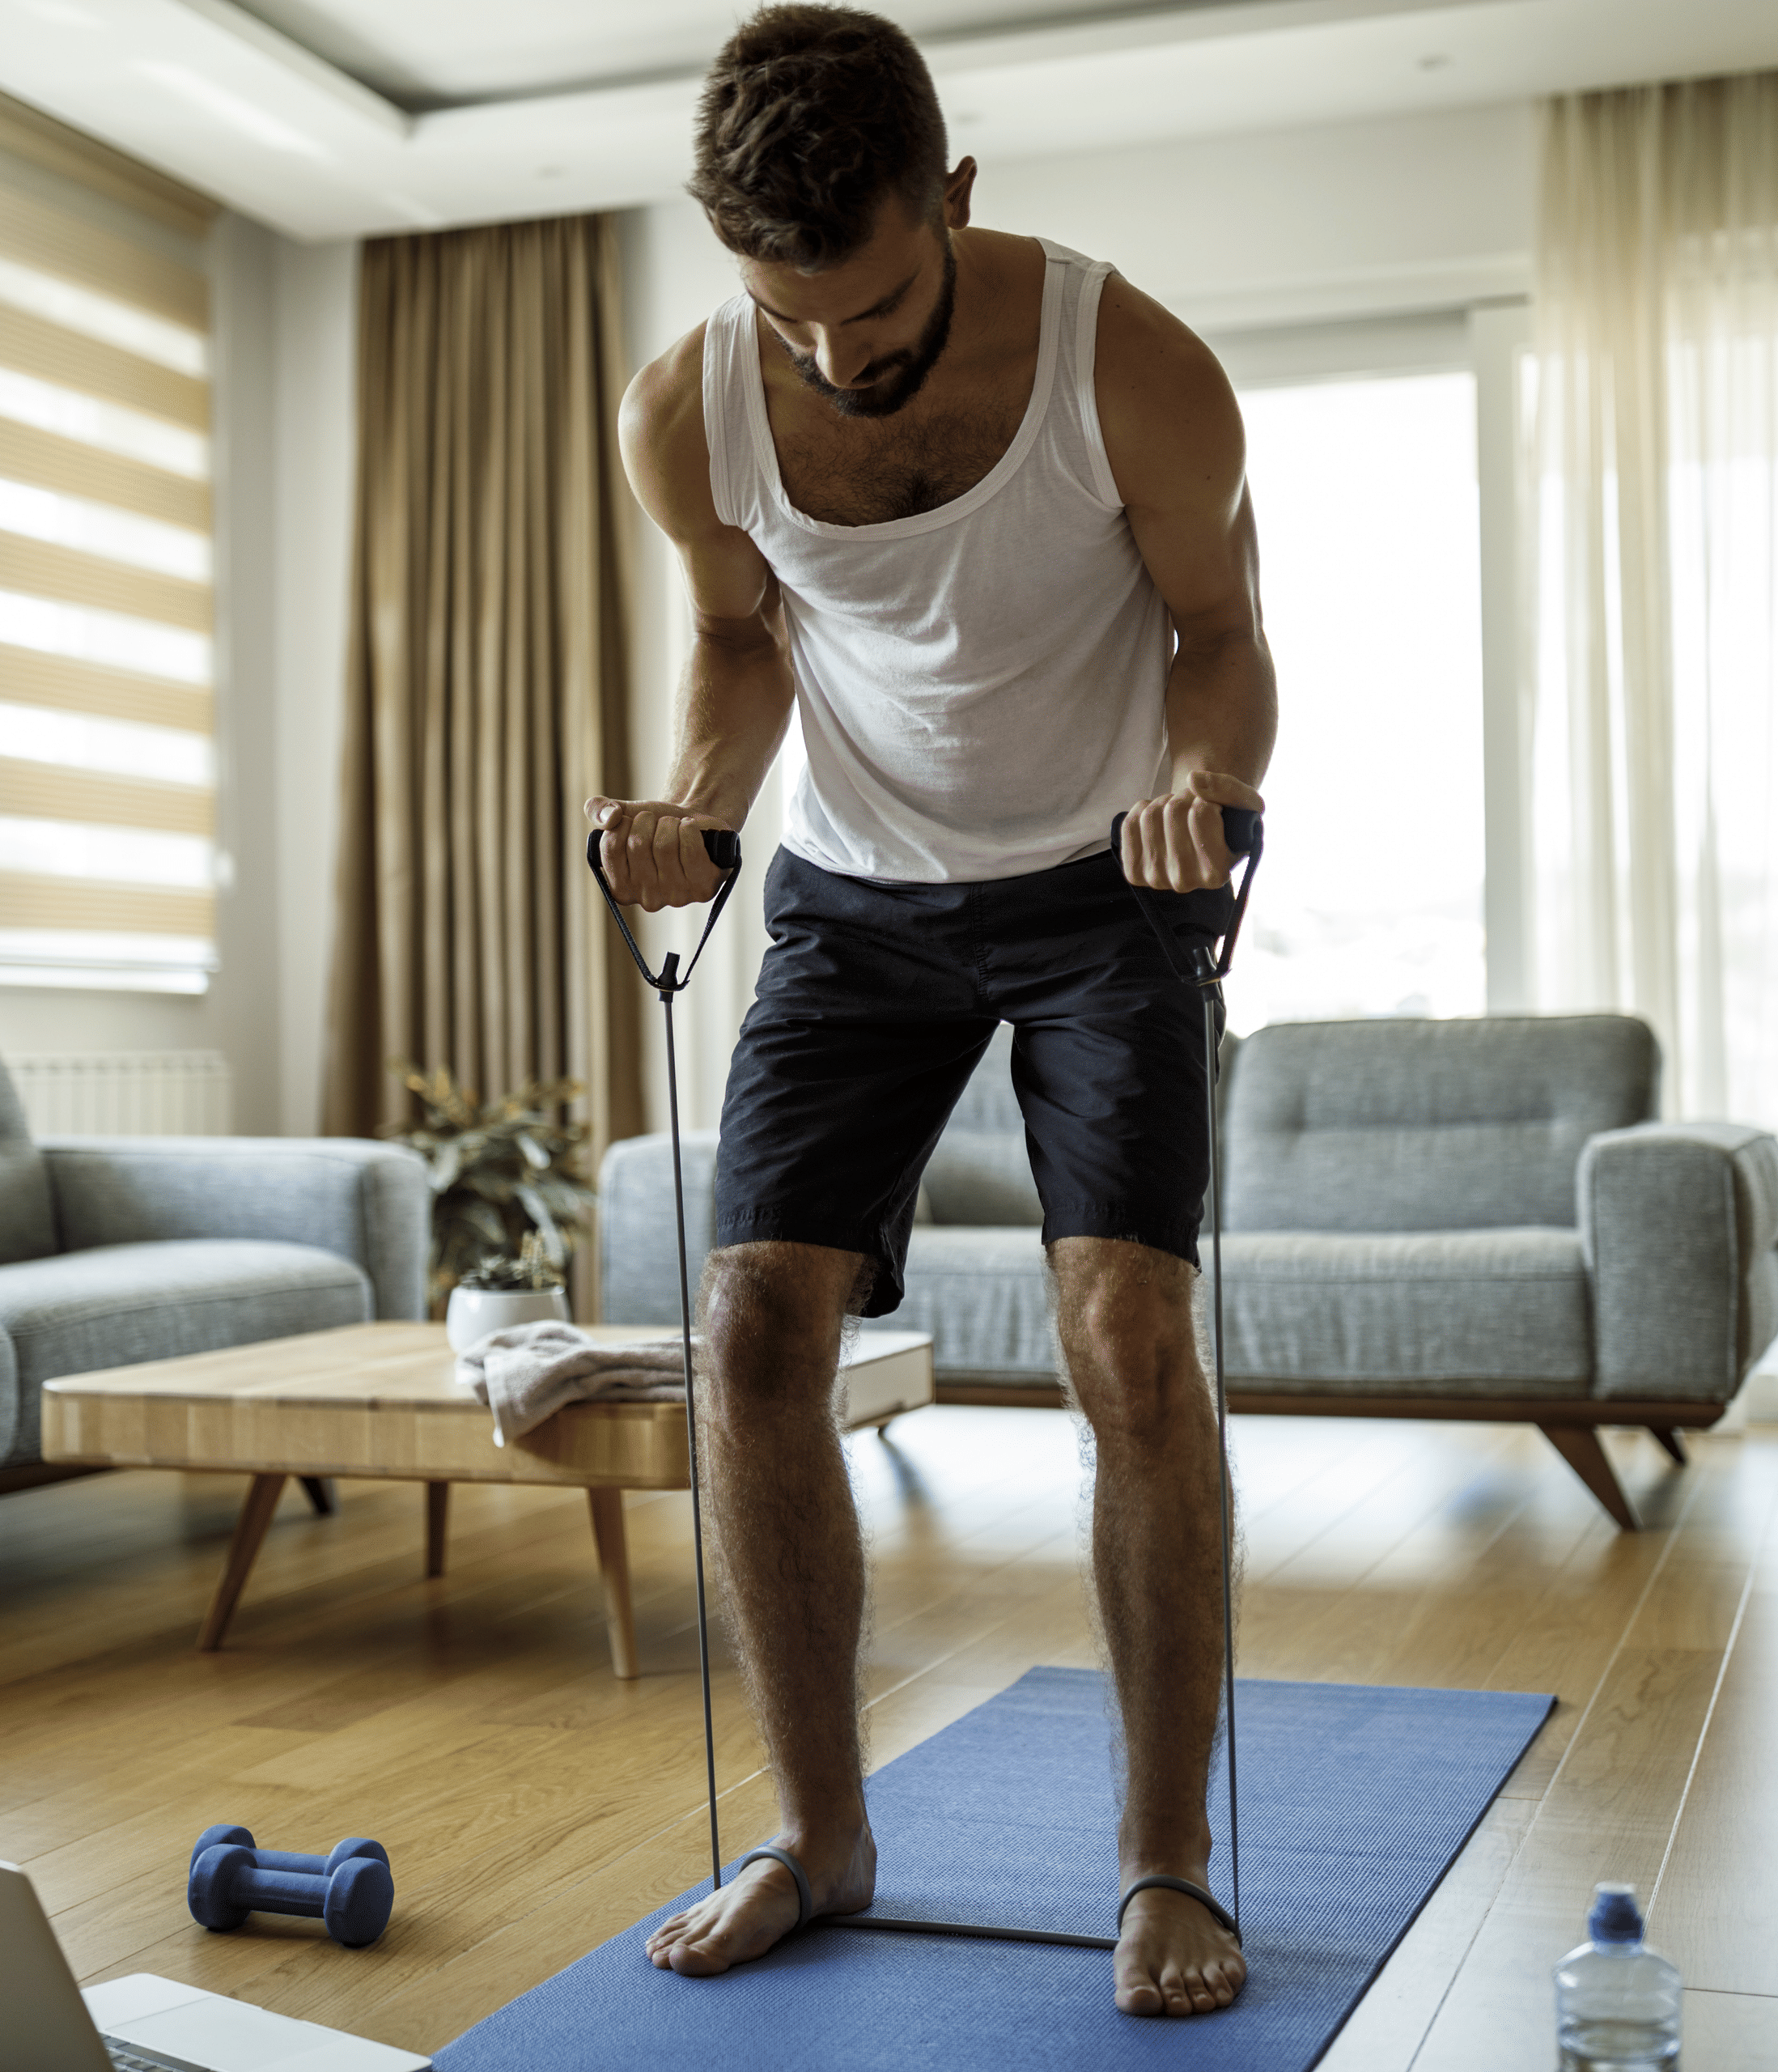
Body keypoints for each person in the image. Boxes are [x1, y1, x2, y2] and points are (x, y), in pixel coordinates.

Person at [588, 2, 1273, 2021]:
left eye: (873, 304)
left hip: (1104, 878)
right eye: (783, 314)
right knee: (749, 1322)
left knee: (1129, 1333)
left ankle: (1165, 1860)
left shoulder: (1127, 364)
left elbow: (1222, 637)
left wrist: (1201, 783)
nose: (833, 356)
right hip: (861, 896)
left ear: (955, 199)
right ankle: (821, 1835)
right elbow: (738, 646)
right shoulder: (683, 413)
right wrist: (699, 813)